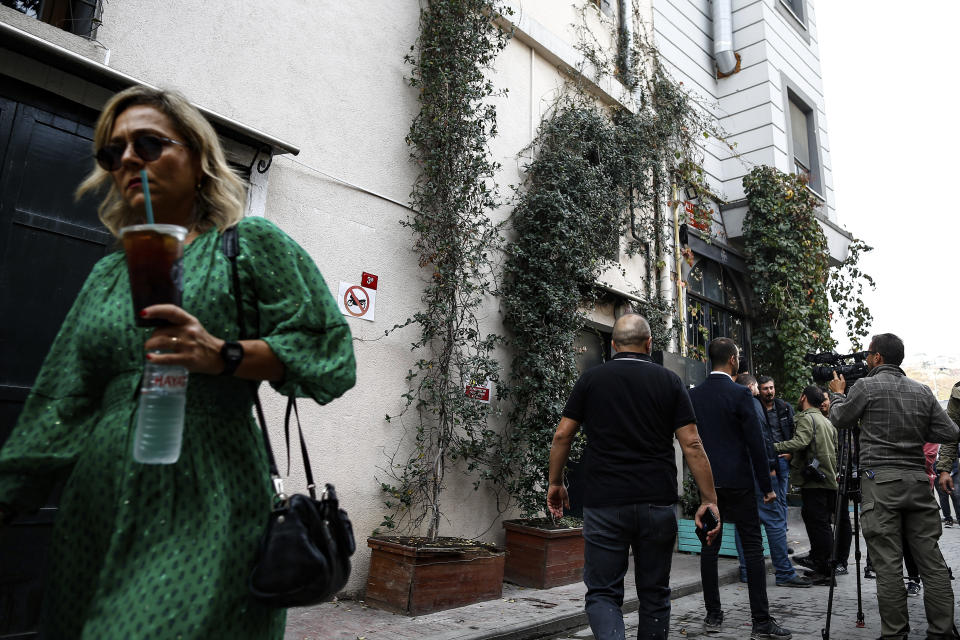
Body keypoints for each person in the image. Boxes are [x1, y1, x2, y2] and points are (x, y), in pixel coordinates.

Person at [0, 87, 356, 639]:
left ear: (197, 158)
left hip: (206, 491)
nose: (128, 161)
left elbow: (329, 353)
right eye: (111, 153)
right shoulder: (107, 276)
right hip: (97, 501)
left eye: (147, 143)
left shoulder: (249, 245)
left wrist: (225, 355)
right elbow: (63, 400)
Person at [547, 314, 720, 640]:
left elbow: (562, 436)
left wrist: (556, 483)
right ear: (649, 344)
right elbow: (693, 444)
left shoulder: (591, 380)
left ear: (613, 346)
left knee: (602, 593)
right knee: (655, 593)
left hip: (605, 503)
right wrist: (709, 500)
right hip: (657, 502)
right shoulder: (670, 382)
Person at [830, 333, 956, 640]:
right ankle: (942, 632)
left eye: (869, 354)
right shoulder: (923, 391)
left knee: (887, 562)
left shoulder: (865, 386)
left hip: (880, 483)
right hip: (916, 482)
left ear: (877, 358)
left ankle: (895, 634)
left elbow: (840, 418)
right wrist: (914, 425)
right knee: (932, 560)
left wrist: (836, 393)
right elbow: (950, 431)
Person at [690, 338, 792, 639]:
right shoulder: (740, 394)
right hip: (740, 484)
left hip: (709, 485)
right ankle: (761, 622)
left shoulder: (695, 395)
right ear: (733, 360)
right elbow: (756, 443)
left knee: (709, 547)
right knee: (752, 548)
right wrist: (766, 485)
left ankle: (713, 615)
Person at [732, 374, 810, 588]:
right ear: (751, 387)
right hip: (761, 472)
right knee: (775, 521)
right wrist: (770, 469)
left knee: (745, 524)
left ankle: (747, 570)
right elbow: (762, 440)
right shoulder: (753, 406)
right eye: (758, 386)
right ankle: (784, 572)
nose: (762, 390)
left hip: (741, 474)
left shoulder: (734, 405)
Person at [773, 385, 837, 585]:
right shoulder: (826, 421)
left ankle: (826, 571)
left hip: (815, 482)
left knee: (819, 526)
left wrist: (773, 446)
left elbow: (801, 441)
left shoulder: (807, 418)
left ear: (803, 398)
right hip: (826, 479)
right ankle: (821, 566)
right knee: (821, 524)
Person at [757, 376, 795, 527]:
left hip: (781, 458)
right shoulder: (756, 407)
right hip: (763, 459)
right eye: (765, 388)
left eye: (771, 388)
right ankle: (768, 536)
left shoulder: (784, 407)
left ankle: (782, 533)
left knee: (781, 498)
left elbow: (794, 432)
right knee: (763, 497)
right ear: (759, 390)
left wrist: (790, 453)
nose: (769, 391)